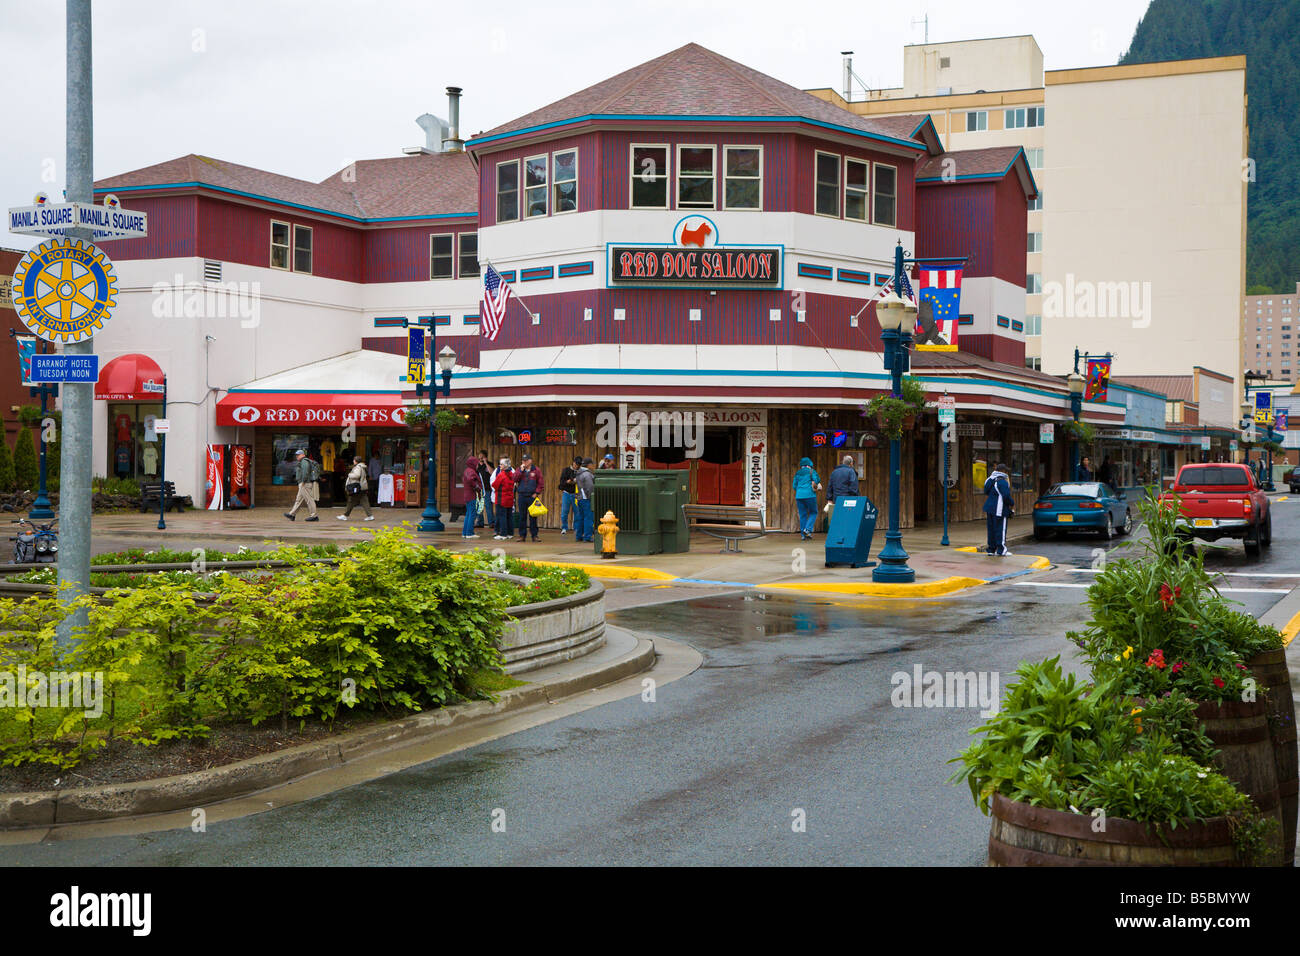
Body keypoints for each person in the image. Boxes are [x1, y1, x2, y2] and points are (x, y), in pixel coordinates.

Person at [983, 461, 1015, 556]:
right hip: (999, 509)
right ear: (1003, 471)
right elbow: (1006, 496)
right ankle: (1001, 550)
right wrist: (1012, 503)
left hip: (990, 508)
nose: (1007, 473)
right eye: (1006, 471)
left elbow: (986, 491)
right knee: (1000, 529)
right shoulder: (1002, 481)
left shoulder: (989, 479)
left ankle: (991, 549)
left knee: (991, 529)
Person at [284, 450, 320, 522]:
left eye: (298, 455)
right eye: (296, 455)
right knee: (298, 500)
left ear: (303, 455)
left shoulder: (304, 461)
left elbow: (305, 471)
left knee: (309, 500)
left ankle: (314, 516)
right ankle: (292, 514)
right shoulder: (303, 461)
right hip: (303, 483)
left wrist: (303, 481)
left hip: (305, 483)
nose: (297, 456)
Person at [513, 455, 544, 542]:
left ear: (530, 461)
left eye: (526, 460)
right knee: (522, 516)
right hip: (522, 495)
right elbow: (514, 479)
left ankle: (534, 535)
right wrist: (520, 471)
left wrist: (537, 493)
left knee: (533, 516)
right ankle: (522, 535)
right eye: (523, 460)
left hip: (532, 496)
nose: (524, 462)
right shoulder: (519, 469)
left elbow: (541, 483)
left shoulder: (536, 470)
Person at [792, 456, 822, 540]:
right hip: (810, 495)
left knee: (803, 515)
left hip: (799, 496)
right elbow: (816, 480)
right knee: (813, 512)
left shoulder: (798, 473)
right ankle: (807, 529)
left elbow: (794, 486)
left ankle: (803, 535)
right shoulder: (812, 471)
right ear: (809, 464)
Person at [337, 456, 375, 521]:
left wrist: (349, 474)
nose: (353, 461)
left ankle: (345, 515)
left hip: (357, 487)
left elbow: (357, 475)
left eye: (354, 460)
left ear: (356, 461)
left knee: (351, 501)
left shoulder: (358, 467)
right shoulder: (362, 467)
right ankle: (370, 516)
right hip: (362, 487)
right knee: (364, 501)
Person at [492, 458, 515, 540]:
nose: (499, 466)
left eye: (501, 464)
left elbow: (494, 485)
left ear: (505, 466)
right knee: (509, 516)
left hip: (501, 498)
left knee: (502, 516)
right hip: (510, 498)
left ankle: (503, 534)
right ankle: (510, 533)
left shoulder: (501, 475)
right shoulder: (512, 474)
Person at [461, 455, 483, 538]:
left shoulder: (467, 470)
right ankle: (470, 533)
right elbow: (471, 479)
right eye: (477, 463)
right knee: (472, 514)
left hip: (467, 495)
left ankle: (465, 533)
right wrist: (477, 487)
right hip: (471, 495)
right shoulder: (471, 471)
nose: (478, 465)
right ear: (473, 463)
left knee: (468, 514)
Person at [558, 455, 580, 536]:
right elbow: (561, 482)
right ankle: (564, 527)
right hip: (566, 493)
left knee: (577, 512)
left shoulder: (579, 472)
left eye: (578, 465)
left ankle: (576, 528)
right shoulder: (566, 470)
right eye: (576, 464)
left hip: (576, 494)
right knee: (564, 512)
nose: (576, 466)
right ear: (573, 463)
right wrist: (568, 482)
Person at [574, 458, 595, 542]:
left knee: (580, 518)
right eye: (592, 464)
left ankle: (579, 536)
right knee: (588, 518)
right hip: (586, 498)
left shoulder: (579, 473)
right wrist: (591, 497)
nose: (593, 466)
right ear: (589, 465)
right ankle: (587, 536)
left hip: (580, 498)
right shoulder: (587, 474)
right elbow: (590, 487)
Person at [476, 451, 493, 529]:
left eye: (482, 457)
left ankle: (491, 522)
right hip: (479, 489)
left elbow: (492, 473)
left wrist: (486, 463)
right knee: (479, 506)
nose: (480, 459)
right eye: (479, 457)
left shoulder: (489, 464)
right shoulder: (477, 466)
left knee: (488, 506)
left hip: (487, 489)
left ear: (485, 457)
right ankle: (480, 522)